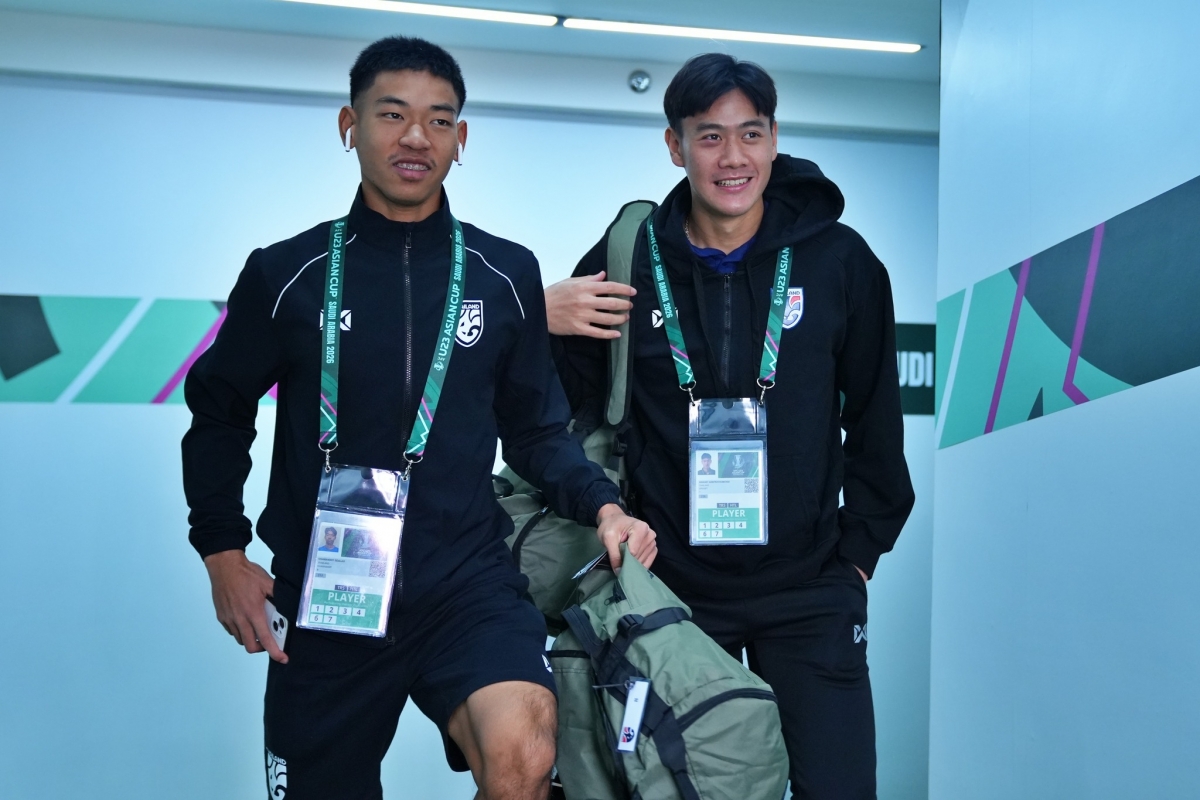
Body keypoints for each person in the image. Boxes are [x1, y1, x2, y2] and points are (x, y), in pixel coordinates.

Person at [182, 36, 656, 800]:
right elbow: (219, 409)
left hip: (465, 587)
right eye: (392, 114)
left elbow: (536, 431)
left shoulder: (504, 275)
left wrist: (603, 505)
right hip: (330, 595)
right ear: (350, 126)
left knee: (526, 749)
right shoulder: (287, 274)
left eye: (439, 120)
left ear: (460, 139)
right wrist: (221, 552)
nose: (415, 137)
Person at [546, 53, 914, 799]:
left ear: (774, 139)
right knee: (678, 791)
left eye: (751, 133)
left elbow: (875, 417)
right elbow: (550, 415)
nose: (733, 157)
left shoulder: (840, 261)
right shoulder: (628, 259)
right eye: (709, 136)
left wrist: (857, 558)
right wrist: (538, 318)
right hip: (672, 590)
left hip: (810, 588)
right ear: (674, 146)